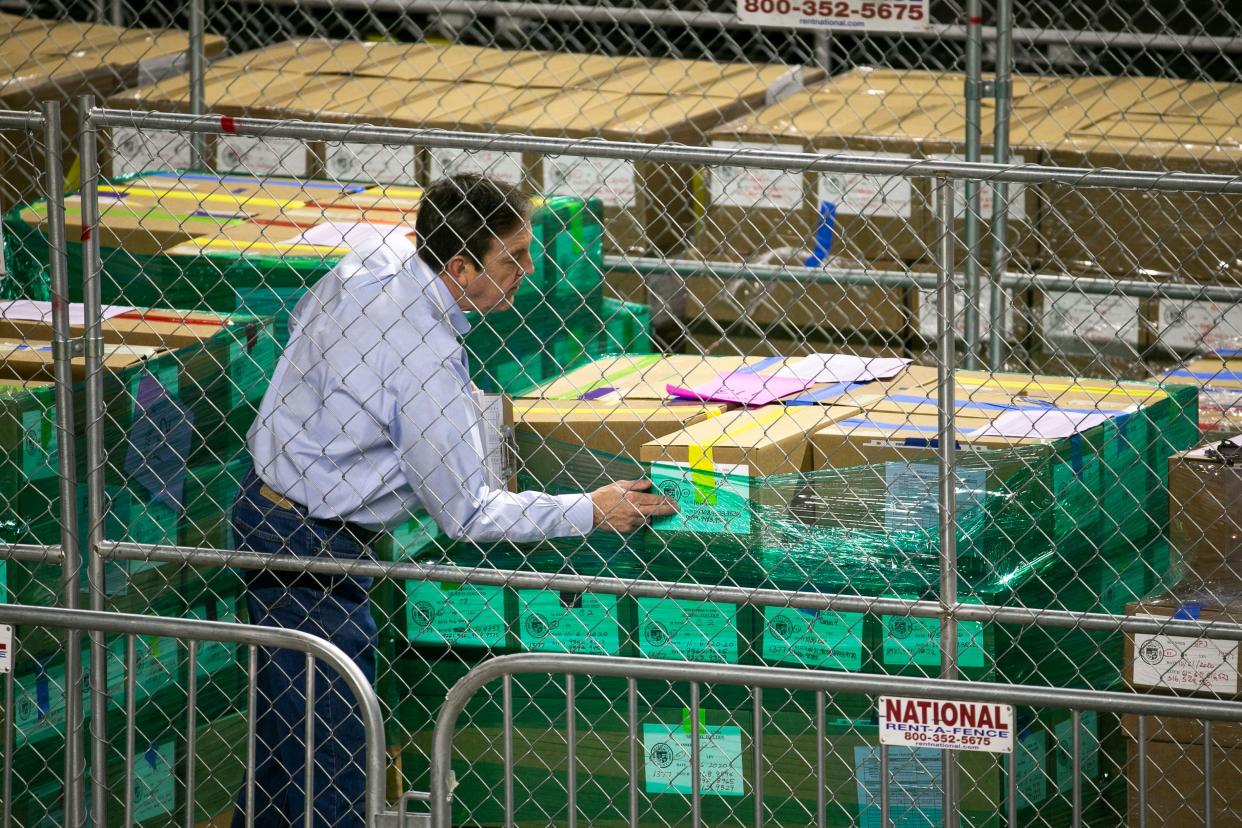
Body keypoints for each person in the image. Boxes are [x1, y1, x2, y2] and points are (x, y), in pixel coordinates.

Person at [228, 173, 676, 827]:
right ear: (462, 267)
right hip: (310, 548)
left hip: (266, 503)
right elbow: (465, 513)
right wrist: (590, 509)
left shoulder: (378, 259)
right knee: (332, 768)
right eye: (512, 257)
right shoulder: (424, 358)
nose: (529, 268)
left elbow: (307, 329)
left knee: (284, 755)